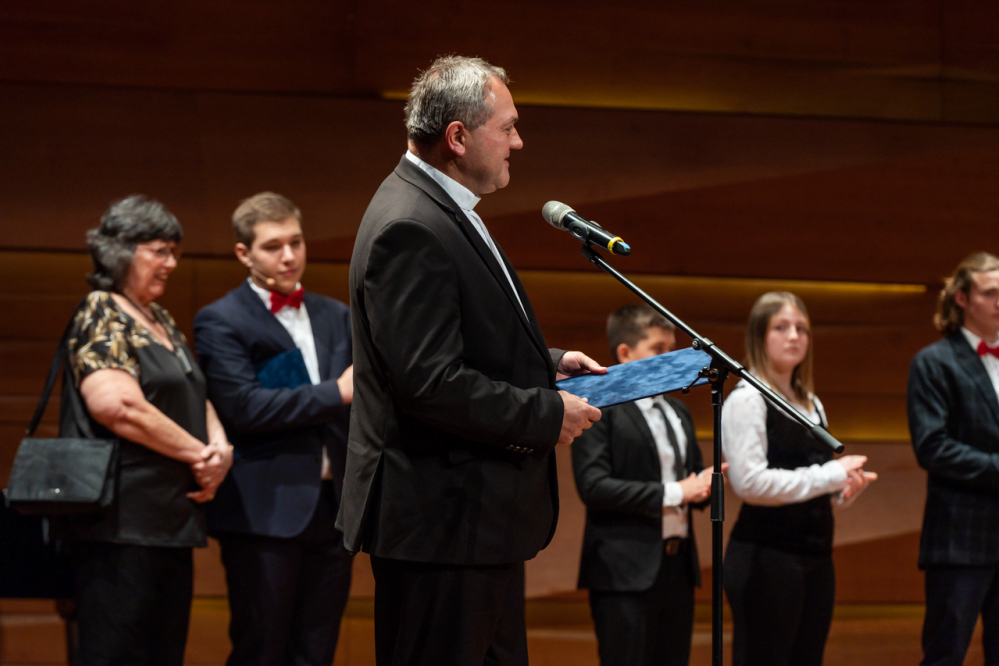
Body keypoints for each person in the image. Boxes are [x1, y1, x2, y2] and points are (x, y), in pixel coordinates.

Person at [338, 55, 604, 666]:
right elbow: (429, 383)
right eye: (507, 127)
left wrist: (547, 364)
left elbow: (458, 341)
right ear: (458, 137)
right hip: (441, 525)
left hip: (472, 525)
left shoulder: (438, 207)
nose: (518, 141)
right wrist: (546, 414)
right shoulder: (410, 225)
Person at [65, 195, 234, 666]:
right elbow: (117, 406)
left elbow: (193, 392)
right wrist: (199, 454)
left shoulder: (159, 319)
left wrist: (220, 448)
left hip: (170, 523)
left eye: (173, 252)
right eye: (160, 251)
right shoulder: (102, 310)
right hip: (120, 527)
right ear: (120, 252)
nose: (171, 263)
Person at [193, 192, 354, 666]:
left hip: (334, 508)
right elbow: (243, 407)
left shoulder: (336, 314)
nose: (288, 256)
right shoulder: (221, 320)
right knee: (260, 649)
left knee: (316, 651)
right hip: (264, 513)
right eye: (272, 246)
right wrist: (336, 393)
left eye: (296, 242)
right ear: (244, 253)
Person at [721, 291, 876, 666]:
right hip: (766, 556)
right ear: (759, 336)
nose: (794, 336)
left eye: (801, 328)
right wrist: (830, 474)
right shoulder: (746, 399)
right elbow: (750, 484)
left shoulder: (811, 400)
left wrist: (843, 490)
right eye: (781, 327)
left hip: (817, 555)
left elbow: (814, 476)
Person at [572, 303, 724, 666]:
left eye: (672, 349)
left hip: (678, 568)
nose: (669, 358)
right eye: (658, 349)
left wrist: (708, 485)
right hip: (623, 571)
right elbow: (593, 485)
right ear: (625, 353)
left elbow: (692, 478)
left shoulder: (678, 410)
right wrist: (678, 492)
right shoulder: (599, 407)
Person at [908, 252, 999, 666]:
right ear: (962, 298)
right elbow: (933, 447)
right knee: (945, 656)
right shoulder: (933, 362)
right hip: (960, 540)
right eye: (990, 293)